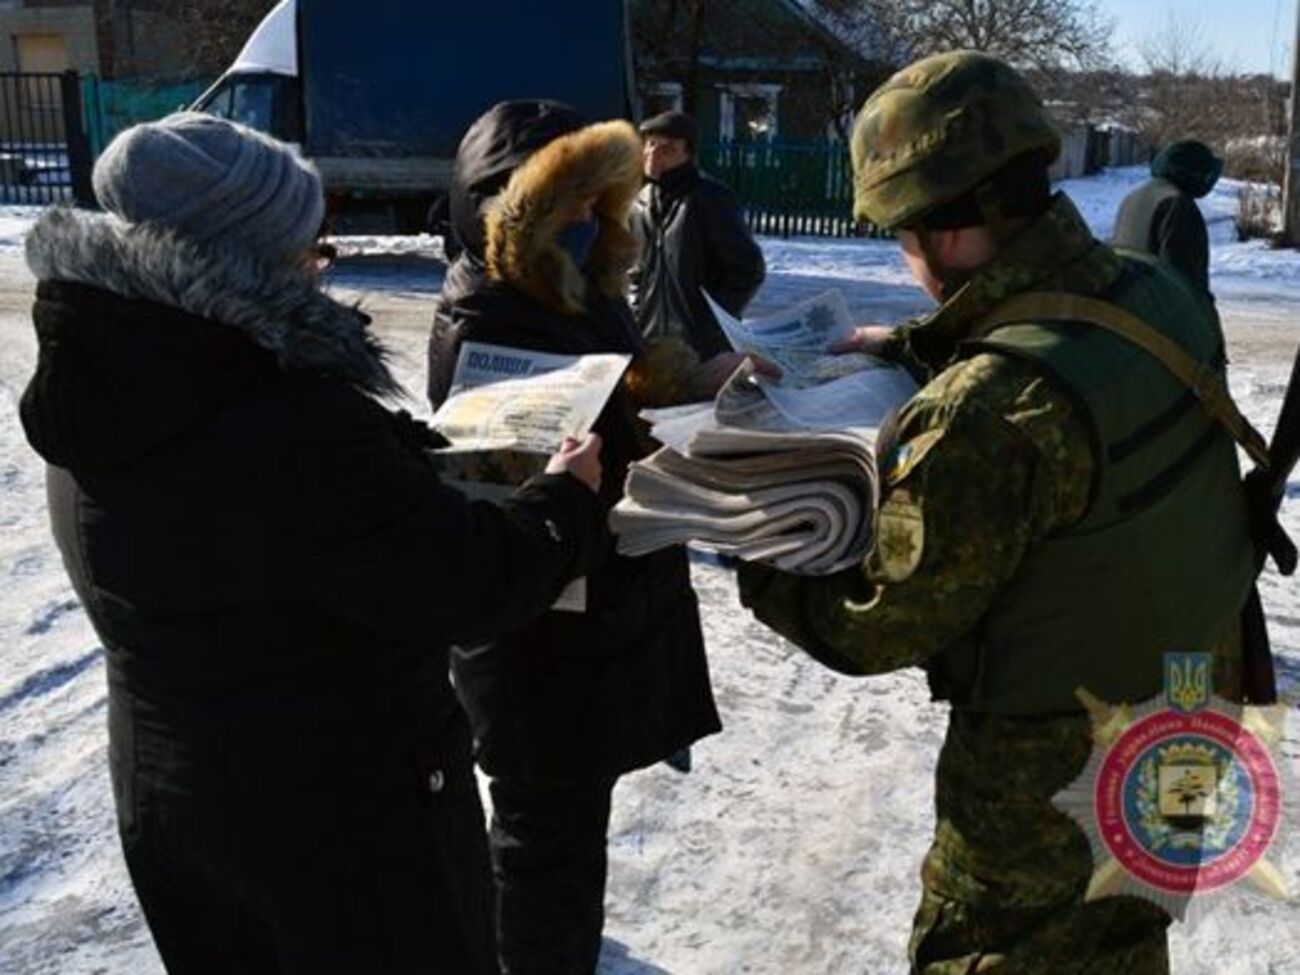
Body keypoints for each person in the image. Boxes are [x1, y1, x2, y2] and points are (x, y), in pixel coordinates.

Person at [20, 112, 609, 975]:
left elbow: (262, 538)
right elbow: (466, 584)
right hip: (338, 826)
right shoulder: (281, 419)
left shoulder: (112, 377)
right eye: (308, 249)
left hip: (180, 799)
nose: (317, 268)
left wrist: (394, 459)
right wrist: (565, 500)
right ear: (240, 260)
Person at [737, 53, 1258, 974]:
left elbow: (875, 624)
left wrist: (752, 535)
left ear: (945, 233)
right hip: (1187, 714)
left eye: (901, 233)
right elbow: (1068, 321)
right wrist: (905, 344)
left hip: (1048, 781)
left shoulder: (990, 413)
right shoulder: (1157, 291)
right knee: (1127, 932)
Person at [425, 100, 742, 975]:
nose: (581, 221)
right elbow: (505, 486)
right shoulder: (486, 312)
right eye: (561, 204)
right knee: (544, 842)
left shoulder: (580, 287)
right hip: (540, 631)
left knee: (563, 831)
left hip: (589, 609)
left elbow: (617, 394)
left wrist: (693, 378)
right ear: (508, 210)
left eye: (592, 204)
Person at [629, 109, 766, 359]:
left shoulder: (710, 198)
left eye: (667, 148)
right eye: (649, 144)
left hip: (701, 347)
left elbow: (748, 268)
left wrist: (713, 323)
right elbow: (635, 272)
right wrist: (635, 317)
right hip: (649, 341)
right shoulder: (640, 202)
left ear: (688, 153)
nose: (652, 153)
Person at [1112, 138, 1223, 295]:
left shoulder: (1133, 196)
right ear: (1193, 173)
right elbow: (1182, 278)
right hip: (1156, 307)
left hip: (1127, 300)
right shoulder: (1177, 204)